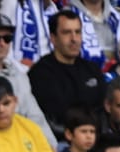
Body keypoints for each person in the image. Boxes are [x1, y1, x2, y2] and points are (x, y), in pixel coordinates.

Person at [27, 9, 107, 140]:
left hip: (95, 140)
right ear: (53, 38)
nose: (74, 39)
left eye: (77, 32)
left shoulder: (92, 69)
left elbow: (102, 111)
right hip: (61, 142)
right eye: (66, 33)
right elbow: (51, 120)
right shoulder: (40, 73)